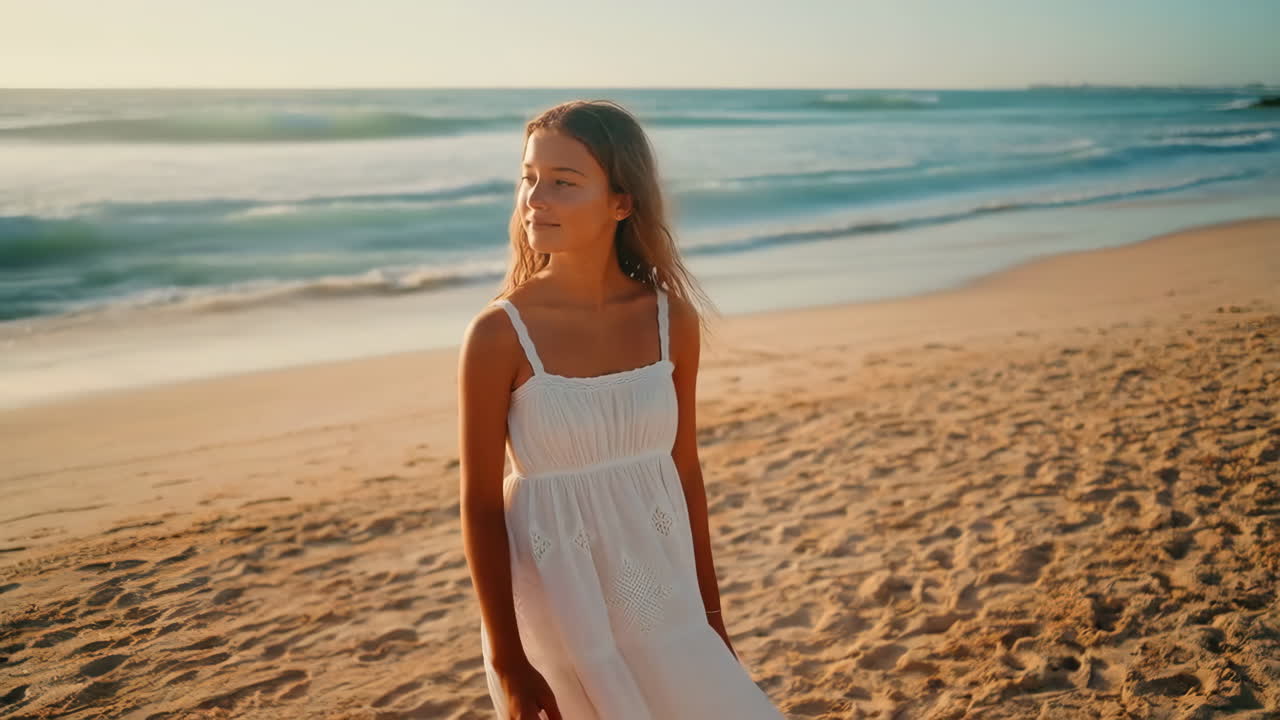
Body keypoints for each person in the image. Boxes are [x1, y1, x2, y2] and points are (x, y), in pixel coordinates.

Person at [457, 99, 787, 720]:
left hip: (668, 606)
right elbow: (478, 504)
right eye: (529, 178)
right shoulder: (500, 334)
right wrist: (508, 658)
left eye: (563, 182)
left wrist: (713, 620)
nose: (535, 198)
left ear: (621, 201)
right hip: (562, 618)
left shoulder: (671, 320)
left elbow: (685, 472)